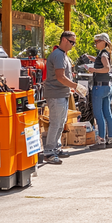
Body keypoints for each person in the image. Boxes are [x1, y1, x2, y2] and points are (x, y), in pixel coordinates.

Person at [43, 31, 80, 164]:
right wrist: (76, 86)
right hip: (55, 94)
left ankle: (55, 148)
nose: (73, 45)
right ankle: (49, 151)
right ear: (64, 40)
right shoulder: (59, 55)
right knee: (56, 123)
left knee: (60, 123)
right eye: (72, 42)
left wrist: (72, 86)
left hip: (61, 93)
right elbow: (60, 77)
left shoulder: (62, 55)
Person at [87, 33, 112, 150]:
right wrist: (92, 59)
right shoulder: (106, 53)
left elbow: (106, 68)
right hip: (108, 86)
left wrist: (93, 70)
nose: (96, 43)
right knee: (107, 113)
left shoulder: (103, 53)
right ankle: (110, 139)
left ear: (103, 41)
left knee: (99, 114)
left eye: (97, 41)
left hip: (99, 87)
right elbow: (102, 62)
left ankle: (101, 140)